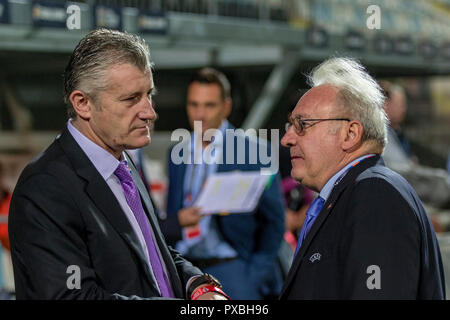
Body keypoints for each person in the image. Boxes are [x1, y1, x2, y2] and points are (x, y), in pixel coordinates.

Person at [8, 29, 229, 300]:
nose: (150, 112)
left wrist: (198, 286)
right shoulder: (45, 188)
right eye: (131, 99)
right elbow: (73, 296)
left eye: (149, 94)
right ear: (83, 103)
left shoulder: (122, 163)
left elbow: (153, 254)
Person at [279, 57, 445, 299]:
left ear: (351, 133)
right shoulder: (357, 192)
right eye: (290, 126)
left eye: (303, 124)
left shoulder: (374, 194)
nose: (287, 139)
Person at [161, 67, 285, 299]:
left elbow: (275, 222)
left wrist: (254, 275)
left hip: (233, 266)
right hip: (185, 267)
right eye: (193, 104)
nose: (200, 114)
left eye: (209, 105)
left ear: (226, 107)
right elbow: (173, 211)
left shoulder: (255, 152)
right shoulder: (177, 153)